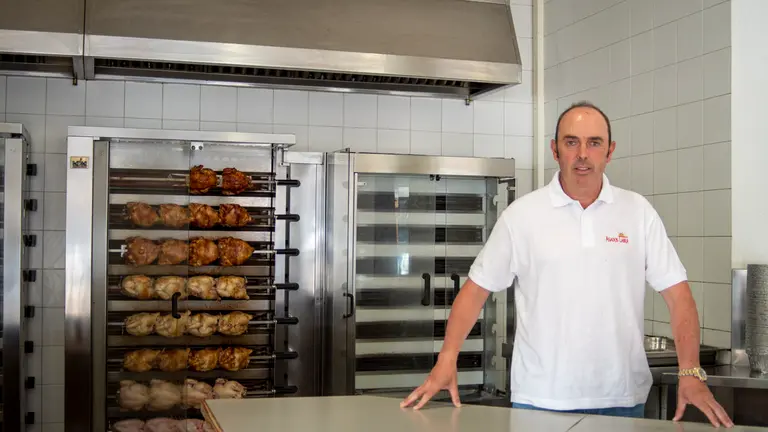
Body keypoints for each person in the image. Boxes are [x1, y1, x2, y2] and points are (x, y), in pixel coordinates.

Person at [400, 101, 734, 428]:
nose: (583, 154)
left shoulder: (638, 212)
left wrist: (690, 372)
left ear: (610, 150)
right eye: (571, 142)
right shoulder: (523, 215)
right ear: (555, 150)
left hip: (620, 398)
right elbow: (475, 291)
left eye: (594, 143)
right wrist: (447, 359)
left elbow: (678, 295)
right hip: (540, 401)